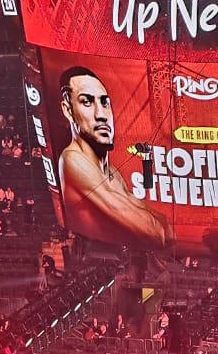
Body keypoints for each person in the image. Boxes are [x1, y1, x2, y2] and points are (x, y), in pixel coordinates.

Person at [55, 67, 168, 248]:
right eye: (87, 102)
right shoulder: (73, 160)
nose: (101, 115)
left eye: (105, 103)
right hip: (95, 255)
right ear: (68, 110)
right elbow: (154, 232)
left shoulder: (112, 172)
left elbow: (162, 224)